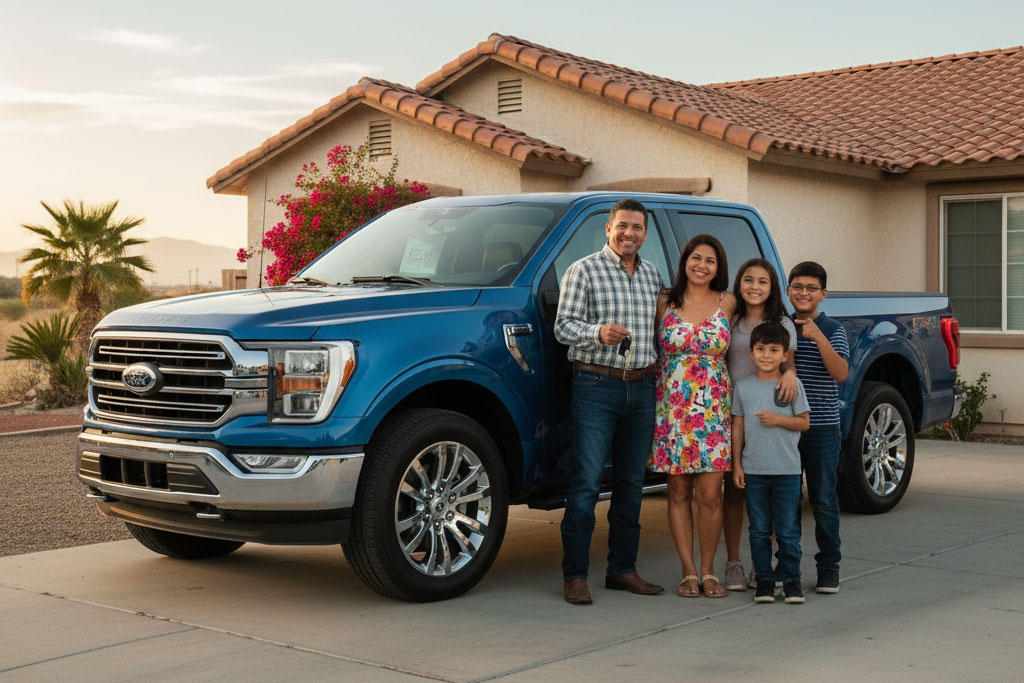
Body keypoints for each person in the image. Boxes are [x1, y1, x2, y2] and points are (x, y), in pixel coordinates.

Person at [554, 197, 665, 605]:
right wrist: (597, 333)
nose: (628, 233)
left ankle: (622, 569)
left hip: (642, 386)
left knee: (632, 484)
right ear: (608, 228)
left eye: (636, 227)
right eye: (622, 226)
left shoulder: (652, 275)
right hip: (596, 385)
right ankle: (575, 575)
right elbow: (562, 327)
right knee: (586, 483)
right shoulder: (582, 270)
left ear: (645, 234)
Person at [650, 234, 736, 599]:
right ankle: (688, 571)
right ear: (685, 260)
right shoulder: (665, 300)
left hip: (713, 410)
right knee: (679, 490)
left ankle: (709, 570)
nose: (702, 265)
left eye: (710, 261)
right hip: (673, 410)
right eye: (696, 258)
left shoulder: (727, 301)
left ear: (718, 268)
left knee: (711, 494)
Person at [722, 258, 799, 591]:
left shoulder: (781, 322)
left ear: (772, 287)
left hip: (767, 416)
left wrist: (791, 375)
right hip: (730, 411)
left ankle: (762, 565)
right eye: (748, 279)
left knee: (766, 494)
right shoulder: (731, 319)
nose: (754, 286)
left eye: (762, 281)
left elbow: (788, 363)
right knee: (734, 489)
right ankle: (734, 563)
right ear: (739, 283)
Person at [731, 321, 811, 604]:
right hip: (754, 471)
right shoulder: (742, 388)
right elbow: (737, 427)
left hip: (786, 471)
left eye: (774, 350)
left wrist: (778, 419)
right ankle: (764, 581)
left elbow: (804, 423)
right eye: (761, 349)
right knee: (759, 531)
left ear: (784, 355)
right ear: (751, 353)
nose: (766, 355)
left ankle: (791, 581)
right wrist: (737, 465)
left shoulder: (791, 384)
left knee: (787, 532)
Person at [787, 261, 850, 594]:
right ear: (788, 290)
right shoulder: (781, 326)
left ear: (823, 294)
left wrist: (817, 336)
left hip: (822, 427)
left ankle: (829, 568)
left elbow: (840, 373)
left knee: (824, 500)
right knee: (788, 500)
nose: (804, 293)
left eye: (812, 288)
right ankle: (789, 568)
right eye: (798, 286)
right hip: (786, 428)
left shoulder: (833, 329)